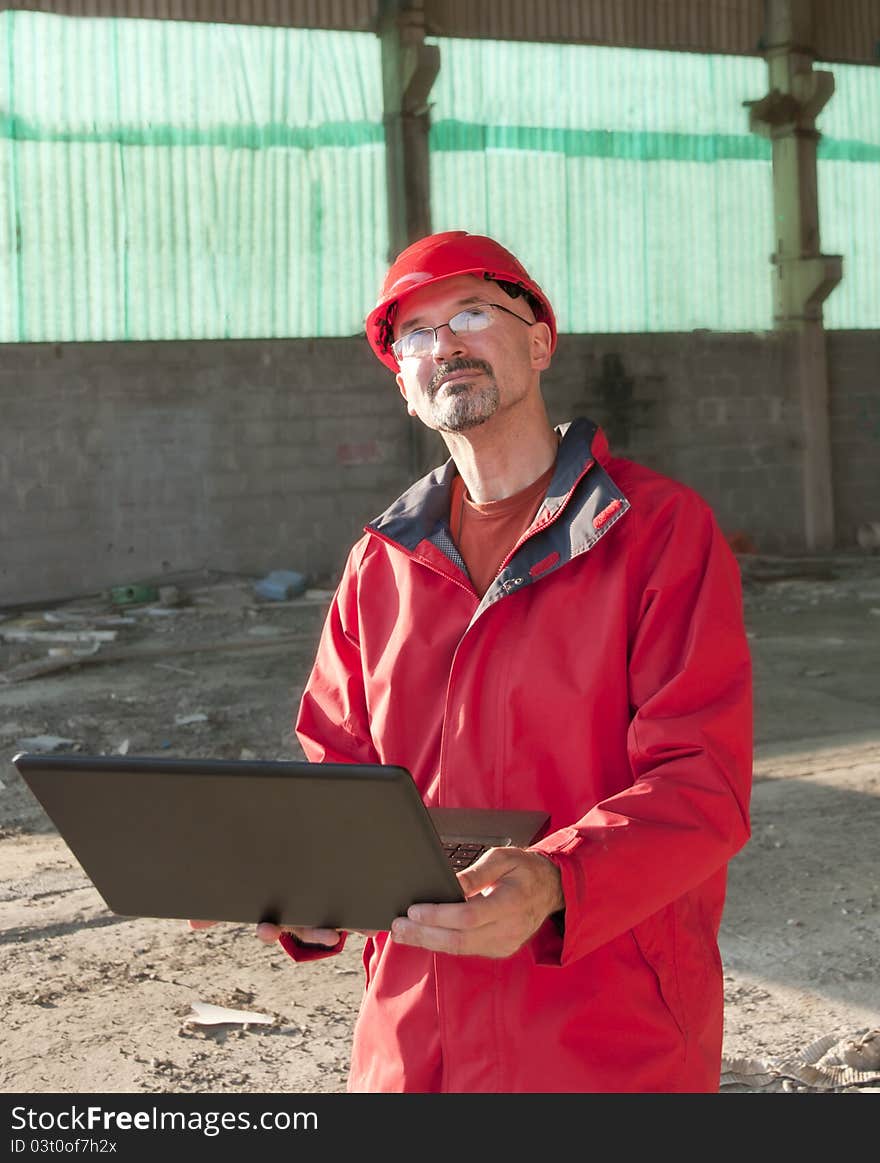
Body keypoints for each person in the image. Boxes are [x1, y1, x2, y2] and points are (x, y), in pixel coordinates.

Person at [192, 230, 753, 1093]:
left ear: (538, 340)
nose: (443, 343)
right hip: (417, 1043)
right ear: (408, 390)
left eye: (470, 314)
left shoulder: (656, 533)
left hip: (608, 1035)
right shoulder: (380, 568)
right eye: (414, 334)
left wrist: (555, 879)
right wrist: (299, 886)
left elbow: (702, 782)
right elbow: (336, 783)